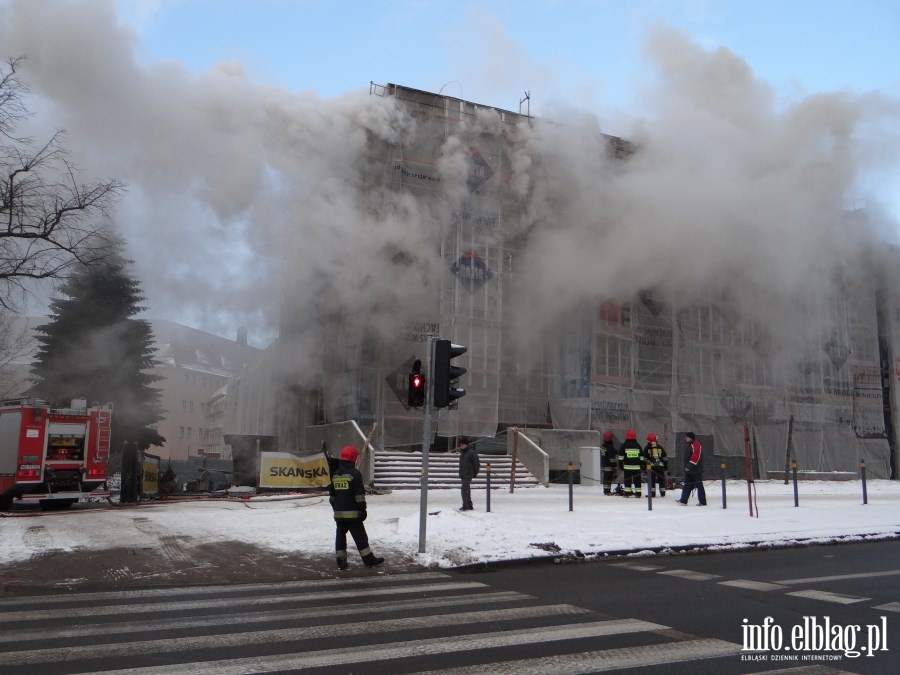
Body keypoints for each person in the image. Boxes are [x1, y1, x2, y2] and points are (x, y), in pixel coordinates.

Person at [328, 445, 384, 569]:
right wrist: (363, 510)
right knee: (361, 537)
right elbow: (359, 496)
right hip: (353, 514)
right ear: (353, 458)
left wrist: (337, 509)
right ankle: (368, 559)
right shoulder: (355, 474)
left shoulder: (336, 474)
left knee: (340, 538)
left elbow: (332, 496)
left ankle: (341, 562)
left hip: (339, 515)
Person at [676, 431, 707, 506]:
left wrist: (689, 466)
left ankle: (702, 501)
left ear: (690, 438)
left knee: (699, 485)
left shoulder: (695, 445)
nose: (685, 438)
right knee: (687, 484)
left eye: (687, 437)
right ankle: (683, 500)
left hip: (696, 470)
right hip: (690, 470)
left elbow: (696, 457)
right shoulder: (690, 445)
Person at [617, 429, 645, 497]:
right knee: (637, 481)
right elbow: (641, 457)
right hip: (637, 467)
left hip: (627, 467)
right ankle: (638, 493)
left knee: (627, 480)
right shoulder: (638, 445)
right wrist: (642, 465)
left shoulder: (624, 445)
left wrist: (621, 465)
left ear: (627, 437)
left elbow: (621, 457)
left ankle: (627, 493)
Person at [458, 436, 480, 511]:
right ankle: (469, 504)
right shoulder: (463, 453)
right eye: (460, 444)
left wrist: (475, 473)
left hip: (468, 474)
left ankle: (465, 505)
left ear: (466, 444)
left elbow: (476, 464)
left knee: (464, 489)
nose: (461, 445)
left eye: (462, 444)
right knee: (467, 489)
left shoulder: (471, 453)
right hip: (464, 474)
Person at [644, 433, 668, 497]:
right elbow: (665, 457)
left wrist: (645, 467)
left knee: (652, 481)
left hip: (651, 467)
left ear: (649, 440)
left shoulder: (647, 448)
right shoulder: (660, 447)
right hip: (660, 466)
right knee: (661, 480)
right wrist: (665, 466)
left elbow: (644, 458)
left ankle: (652, 493)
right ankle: (662, 493)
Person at [600, 431, 619, 496]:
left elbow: (610, 452)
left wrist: (617, 451)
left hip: (604, 464)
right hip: (609, 465)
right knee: (608, 479)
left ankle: (606, 491)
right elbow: (611, 458)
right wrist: (615, 466)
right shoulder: (610, 446)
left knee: (606, 478)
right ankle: (607, 491)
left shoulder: (603, 445)